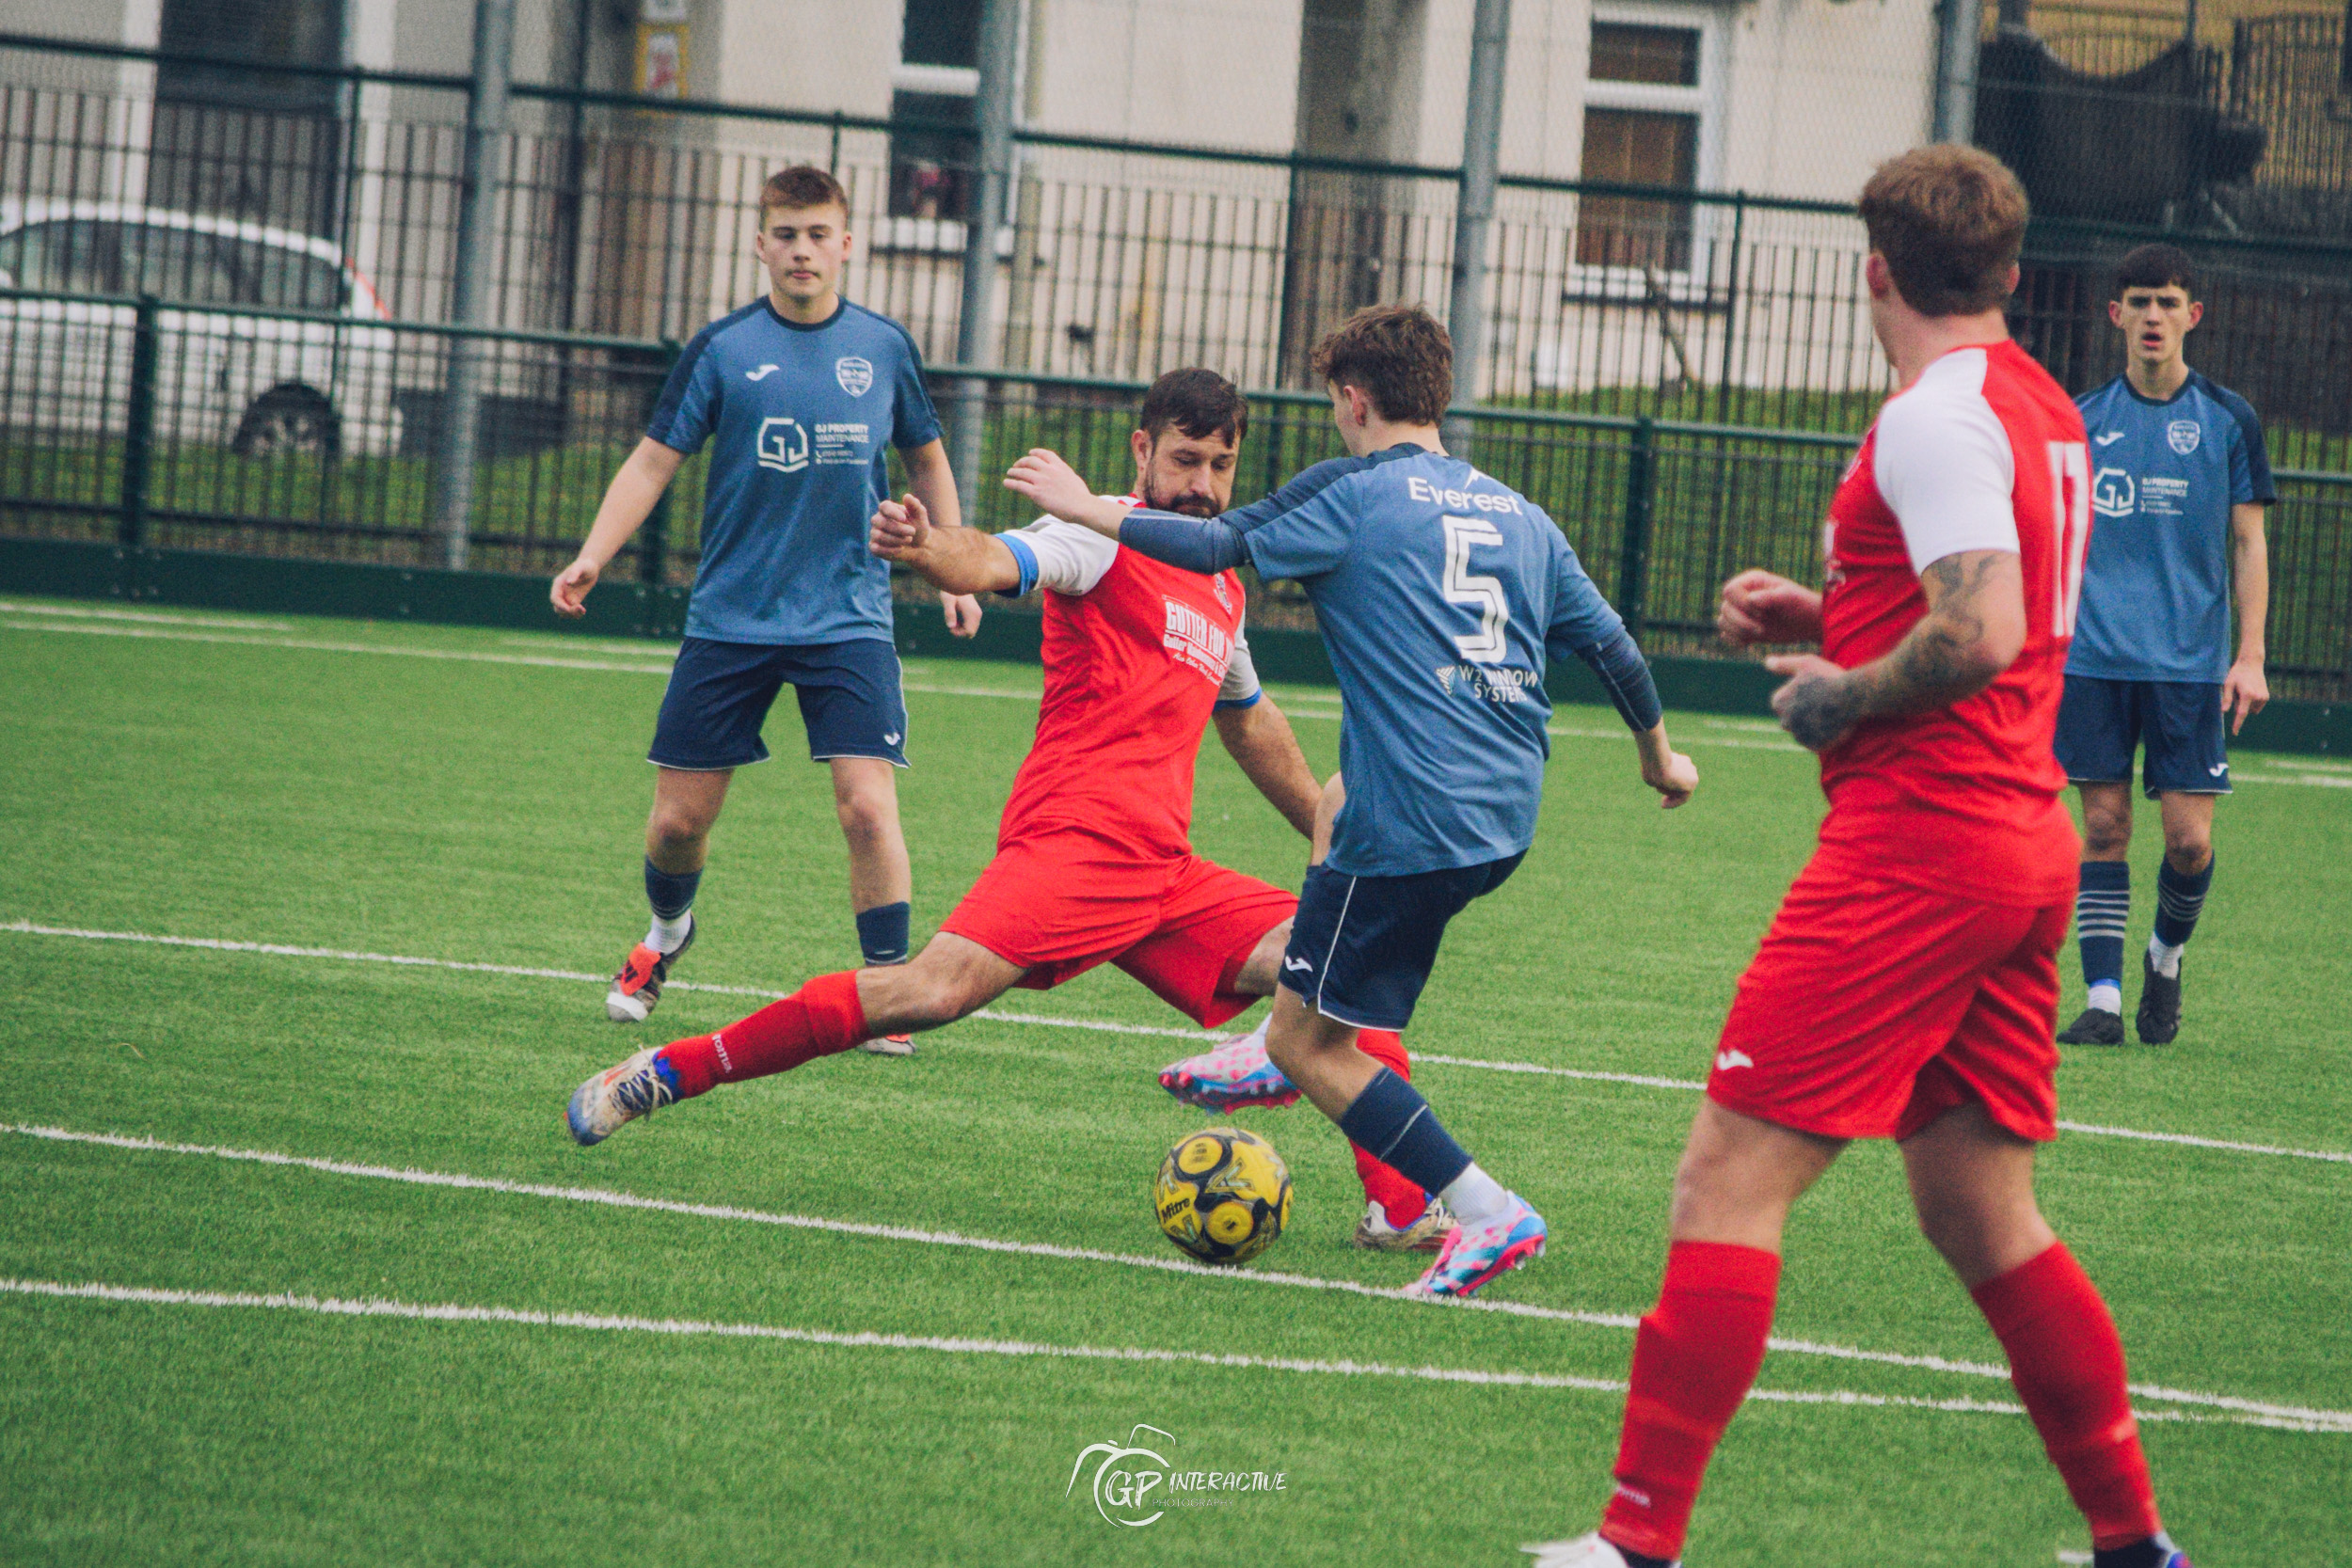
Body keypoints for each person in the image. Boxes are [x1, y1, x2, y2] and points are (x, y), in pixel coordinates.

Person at [1522, 148, 2188, 1568]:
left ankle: (1635, 1543)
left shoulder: (1934, 416)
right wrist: (1828, 610)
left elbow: (1980, 631)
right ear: (2011, 273)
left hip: (1921, 844)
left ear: (1872, 268)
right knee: (1981, 1207)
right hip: (2023, 840)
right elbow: (1982, 595)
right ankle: (2134, 1544)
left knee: (1726, 1178)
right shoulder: (2040, 404)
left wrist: (1842, 690)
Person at [565, 368, 1455, 1253]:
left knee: (1342, 960)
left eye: (1222, 466)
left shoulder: (1219, 580)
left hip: (1164, 870)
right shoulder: (1097, 535)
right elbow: (997, 558)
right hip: (1071, 847)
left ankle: (1403, 1205)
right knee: (921, 994)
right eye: (1185, 460)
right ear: (1143, 450)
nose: (1203, 488)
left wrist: (1326, 831)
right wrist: (929, 547)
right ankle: (666, 1072)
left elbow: (1249, 718)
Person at [1002, 304, 1698, 1299]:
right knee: (1332, 798)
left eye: (1335, 403)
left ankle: (1481, 1208)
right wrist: (1660, 759)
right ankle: (1273, 1037)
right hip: (1502, 815)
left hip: (1413, 820)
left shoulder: (1356, 490)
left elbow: (1208, 549)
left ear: (1354, 398)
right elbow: (1615, 650)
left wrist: (1083, 504)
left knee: (1312, 1042)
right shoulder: (1521, 514)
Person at [548, 165, 980, 1054]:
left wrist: (954, 568)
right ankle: (667, 935)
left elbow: (928, 462)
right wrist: (594, 553)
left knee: (867, 806)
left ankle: (887, 991)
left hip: (848, 618)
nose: (802, 251)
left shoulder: (884, 348)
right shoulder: (722, 349)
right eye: (785, 234)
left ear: (847, 244)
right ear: (760, 243)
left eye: (819, 234)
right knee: (676, 825)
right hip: (732, 619)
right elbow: (650, 465)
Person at [2055, 242, 2274, 1048]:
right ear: (2116, 314)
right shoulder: (2077, 422)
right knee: (2105, 828)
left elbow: (2248, 543)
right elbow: (2054, 534)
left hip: (2188, 663)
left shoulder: (2227, 419)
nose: (2153, 315)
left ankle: (2165, 956)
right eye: (2139, 301)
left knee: (2189, 843)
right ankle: (2104, 1000)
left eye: (2168, 302)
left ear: (2193, 315)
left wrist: (2248, 654)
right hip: (2094, 658)